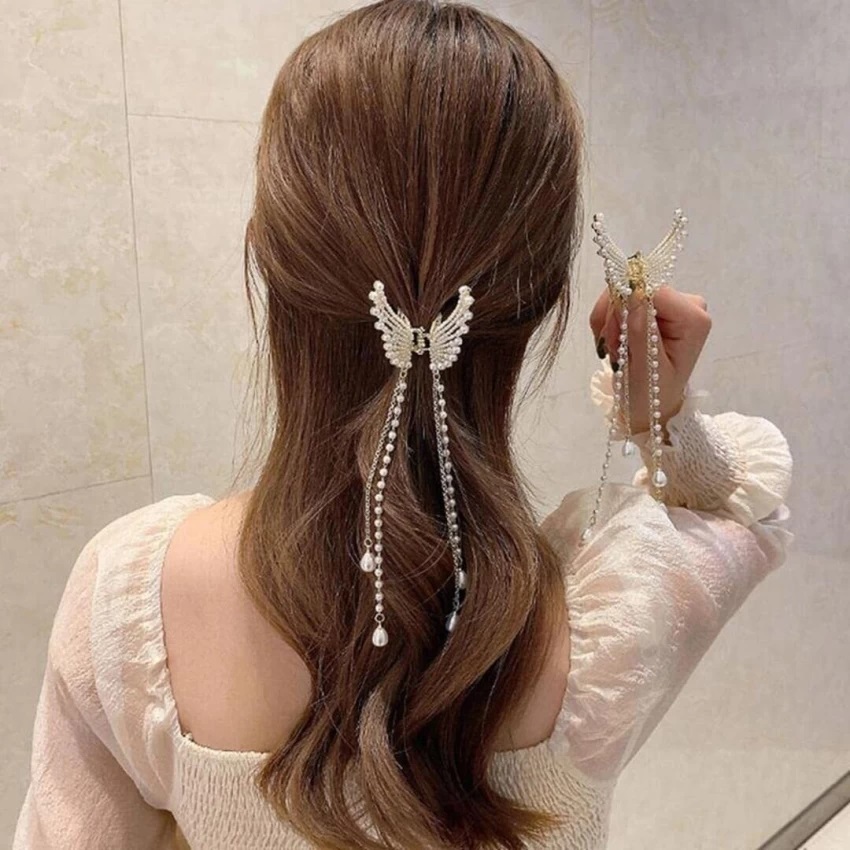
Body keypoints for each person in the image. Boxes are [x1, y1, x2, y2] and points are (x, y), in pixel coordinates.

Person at [13, 1, 794, 848]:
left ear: (268, 259)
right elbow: (741, 507)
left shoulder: (130, 610)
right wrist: (657, 413)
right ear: (543, 300)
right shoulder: (612, 619)